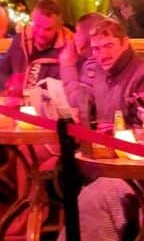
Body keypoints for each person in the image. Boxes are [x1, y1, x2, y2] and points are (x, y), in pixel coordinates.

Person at [64, 18, 144, 241]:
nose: (102, 54)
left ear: (125, 43)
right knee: (65, 175)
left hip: (134, 170)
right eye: (96, 48)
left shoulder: (140, 74)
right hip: (106, 162)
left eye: (108, 46)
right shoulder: (96, 70)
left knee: (94, 199)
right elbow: (82, 106)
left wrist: (118, 135)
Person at [0, 0, 72, 95]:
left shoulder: (68, 47)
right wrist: (9, 83)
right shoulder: (20, 40)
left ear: (58, 27)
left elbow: (70, 87)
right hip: (18, 104)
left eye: (47, 29)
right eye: (37, 26)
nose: (41, 33)